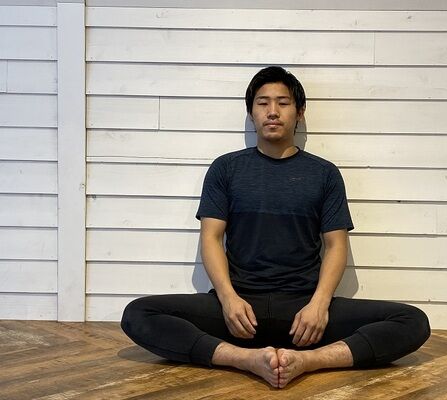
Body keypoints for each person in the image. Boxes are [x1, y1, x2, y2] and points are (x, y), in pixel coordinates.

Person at [121, 66, 431, 389]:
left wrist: (319, 305)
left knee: (411, 321)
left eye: (283, 103)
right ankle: (244, 359)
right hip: (239, 311)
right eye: (262, 103)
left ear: (300, 112)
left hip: (304, 314)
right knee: (138, 314)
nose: (272, 111)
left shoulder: (324, 174)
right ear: (251, 112)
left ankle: (308, 361)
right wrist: (228, 299)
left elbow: (336, 245)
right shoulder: (226, 169)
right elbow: (211, 238)